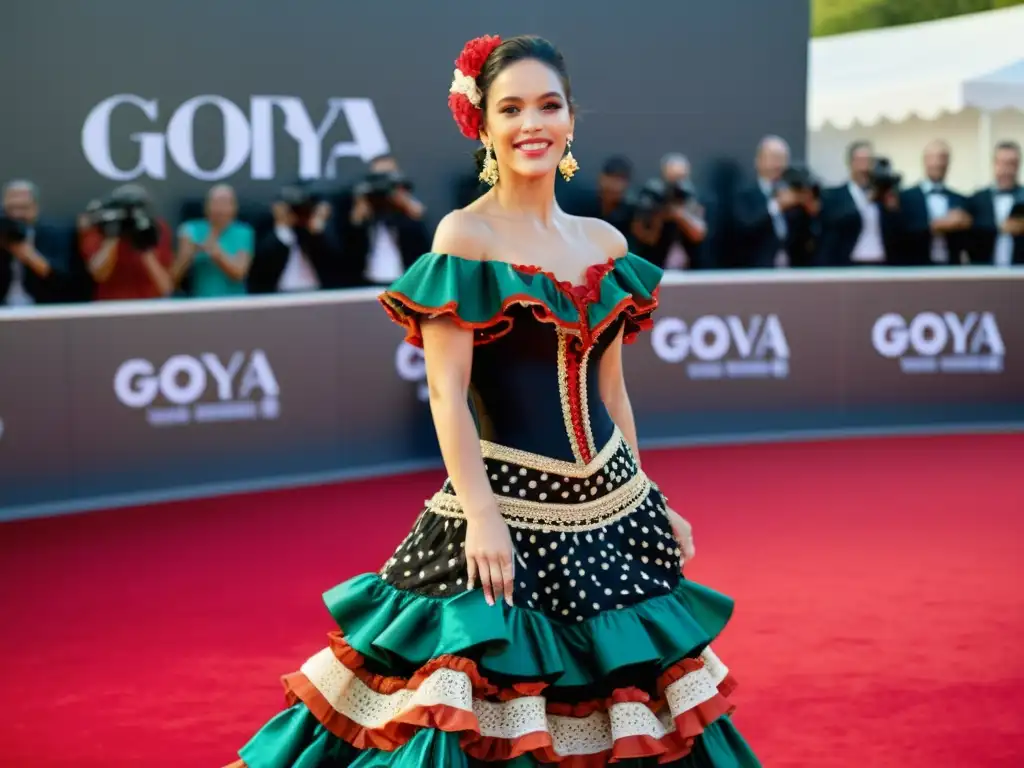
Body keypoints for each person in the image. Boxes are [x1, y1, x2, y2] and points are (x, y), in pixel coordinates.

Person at [228, 34, 760, 768]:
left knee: (634, 723)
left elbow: (613, 390)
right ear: (481, 125)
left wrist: (650, 497)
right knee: (474, 720)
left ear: (572, 119)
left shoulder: (604, 242)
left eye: (548, 105)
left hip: (615, 513)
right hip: (500, 518)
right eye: (510, 108)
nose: (531, 123)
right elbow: (444, 392)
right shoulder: (465, 236)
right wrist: (481, 516)